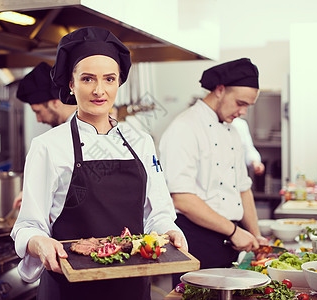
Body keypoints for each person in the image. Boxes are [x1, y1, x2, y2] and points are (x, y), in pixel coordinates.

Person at [11, 26, 186, 300]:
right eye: (88, 79)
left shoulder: (140, 141)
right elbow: (27, 226)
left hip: (131, 287)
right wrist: (40, 243)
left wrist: (169, 231)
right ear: (71, 84)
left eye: (109, 79)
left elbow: (158, 212)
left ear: (118, 83)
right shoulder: (48, 146)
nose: (99, 90)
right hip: (69, 289)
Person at [159, 58, 268, 287]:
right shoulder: (184, 128)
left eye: (248, 106)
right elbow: (182, 198)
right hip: (195, 241)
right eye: (240, 103)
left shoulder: (233, 132)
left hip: (229, 241)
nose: (243, 112)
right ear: (220, 90)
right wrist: (233, 231)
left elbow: (243, 189)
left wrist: (256, 236)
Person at [13, 62, 77, 209]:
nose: (39, 120)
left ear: (55, 102)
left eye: (38, 111)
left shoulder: (80, 130)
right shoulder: (63, 134)